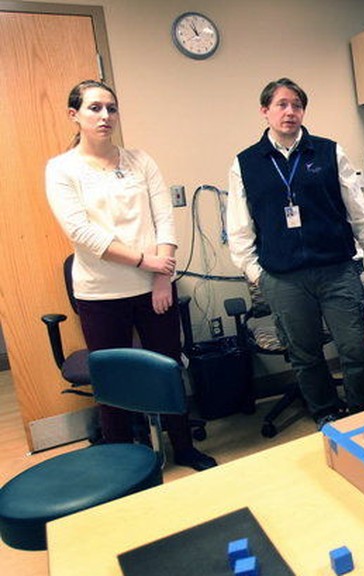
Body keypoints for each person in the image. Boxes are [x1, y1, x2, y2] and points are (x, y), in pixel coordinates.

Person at [45, 80, 216, 471]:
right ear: (74, 115)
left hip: (153, 287)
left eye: (111, 108)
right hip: (101, 294)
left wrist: (160, 277)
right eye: (94, 108)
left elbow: (164, 222)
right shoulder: (61, 169)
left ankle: (184, 449)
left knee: (168, 369)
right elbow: (83, 235)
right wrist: (146, 262)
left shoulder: (141, 160)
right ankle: (119, 463)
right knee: (112, 381)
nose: (105, 116)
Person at [227, 78, 364, 429]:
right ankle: (326, 414)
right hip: (283, 278)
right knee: (304, 355)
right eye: (281, 104)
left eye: (297, 105)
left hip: (337, 270)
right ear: (265, 111)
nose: (290, 112)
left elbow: (358, 210)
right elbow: (239, 227)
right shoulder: (245, 164)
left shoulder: (329, 152)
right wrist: (255, 272)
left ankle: (362, 415)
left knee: (355, 349)